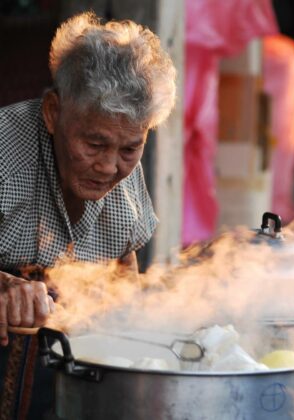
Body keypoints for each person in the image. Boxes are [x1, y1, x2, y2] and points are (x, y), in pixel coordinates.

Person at [0, 11, 176, 417]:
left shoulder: (118, 163)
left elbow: (122, 266)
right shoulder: (6, 159)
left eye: (130, 148)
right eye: (94, 144)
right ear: (52, 112)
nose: (109, 167)